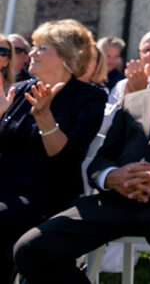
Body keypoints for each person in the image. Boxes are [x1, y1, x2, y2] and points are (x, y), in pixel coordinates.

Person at [14, 21, 150, 284]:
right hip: (120, 201)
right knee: (31, 248)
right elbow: (100, 161)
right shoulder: (133, 100)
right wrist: (111, 177)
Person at [0, 19, 106, 281]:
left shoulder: (89, 97)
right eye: (33, 47)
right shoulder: (19, 90)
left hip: (47, 194)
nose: (31, 53)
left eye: (41, 48)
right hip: (6, 187)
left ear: (65, 55)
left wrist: (44, 116)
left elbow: (64, 158)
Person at [109, 30, 150, 104]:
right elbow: (109, 115)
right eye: (145, 50)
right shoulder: (124, 85)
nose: (149, 54)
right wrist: (128, 96)